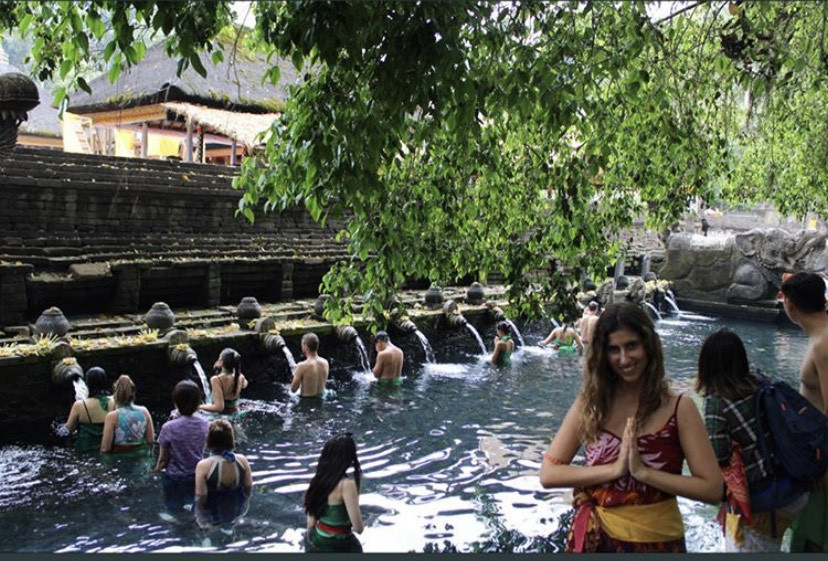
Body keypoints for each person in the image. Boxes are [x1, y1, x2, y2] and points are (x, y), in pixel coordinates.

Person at [539, 302, 722, 552]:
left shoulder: (680, 407)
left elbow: (713, 488)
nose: (624, 359)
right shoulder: (590, 405)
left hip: (658, 544)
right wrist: (614, 470)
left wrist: (645, 474)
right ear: (603, 354)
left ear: (649, 345)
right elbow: (549, 474)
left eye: (632, 346)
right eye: (614, 349)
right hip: (598, 541)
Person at [696, 329, 807, 551]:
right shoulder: (761, 382)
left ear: (706, 365)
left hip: (762, 498)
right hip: (793, 489)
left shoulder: (717, 402)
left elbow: (719, 454)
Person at [781, 272, 828, 552]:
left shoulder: (824, 344)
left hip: (823, 462)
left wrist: (824, 466)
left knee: (814, 537)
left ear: (790, 305)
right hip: (815, 456)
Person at [155, 380, 210, 518]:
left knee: (173, 510)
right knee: (195, 510)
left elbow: (162, 460)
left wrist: (155, 474)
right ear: (198, 403)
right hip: (197, 476)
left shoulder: (168, 427)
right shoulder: (205, 424)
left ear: (175, 402)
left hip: (174, 478)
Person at [304, 432, 364, 552]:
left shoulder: (317, 480)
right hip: (340, 544)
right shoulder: (347, 485)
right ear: (349, 458)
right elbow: (358, 528)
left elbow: (311, 523)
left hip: (317, 540)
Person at [194, 419, 253, 528]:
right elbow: (248, 489)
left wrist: (200, 518)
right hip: (236, 509)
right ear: (231, 438)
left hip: (213, 512)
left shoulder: (203, 466)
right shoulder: (242, 460)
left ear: (209, 440)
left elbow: (200, 496)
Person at [65, 366, 115, 453]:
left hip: (85, 450)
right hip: (109, 447)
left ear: (88, 383)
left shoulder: (80, 405)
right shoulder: (114, 401)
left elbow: (69, 428)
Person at [101, 375, 155, 453]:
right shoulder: (144, 412)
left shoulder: (112, 416)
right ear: (133, 393)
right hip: (141, 458)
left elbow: (105, 449)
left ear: (115, 394)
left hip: (119, 460)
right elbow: (151, 442)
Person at [200, 348, 248, 414]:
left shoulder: (216, 379)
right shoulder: (240, 377)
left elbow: (219, 407)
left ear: (221, 362)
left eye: (219, 358)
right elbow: (245, 385)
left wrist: (199, 407)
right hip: (236, 412)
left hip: (221, 416)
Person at [291, 333, 330, 399]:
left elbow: (293, 390)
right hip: (321, 401)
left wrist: (296, 373)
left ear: (306, 347)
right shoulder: (325, 362)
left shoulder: (301, 366)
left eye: (302, 345)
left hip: (306, 403)